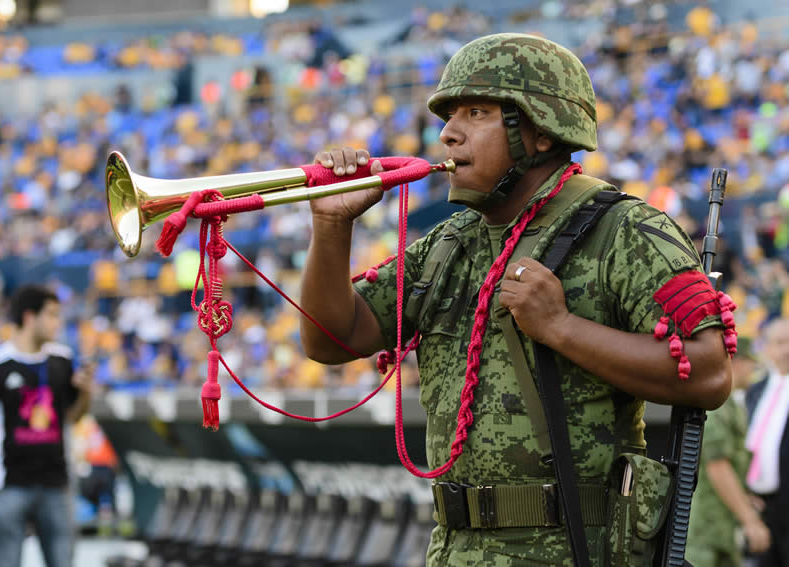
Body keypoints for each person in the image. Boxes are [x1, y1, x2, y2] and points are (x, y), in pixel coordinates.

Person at [299, 33, 733, 565]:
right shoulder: (450, 243)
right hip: (454, 549)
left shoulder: (627, 230)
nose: (448, 136)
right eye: (448, 117)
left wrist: (560, 328)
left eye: (476, 113)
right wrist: (330, 226)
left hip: (576, 548)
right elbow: (332, 340)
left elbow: (710, 372)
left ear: (542, 132)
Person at [0, 284, 92, 567]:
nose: (57, 322)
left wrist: (86, 392)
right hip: (9, 483)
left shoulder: (61, 360)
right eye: (51, 315)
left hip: (56, 482)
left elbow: (73, 416)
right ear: (29, 317)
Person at [687, 336, 771, 566]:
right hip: (706, 533)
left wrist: (745, 498)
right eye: (749, 362)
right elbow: (718, 467)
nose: (752, 369)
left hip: (722, 529)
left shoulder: (731, 404)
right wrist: (750, 520)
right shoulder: (716, 405)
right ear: (734, 361)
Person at [746, 318, 789, 567]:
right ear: (768, 348)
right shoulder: (756, 390)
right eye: (780, 343)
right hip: (761, 502)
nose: (785, 350)